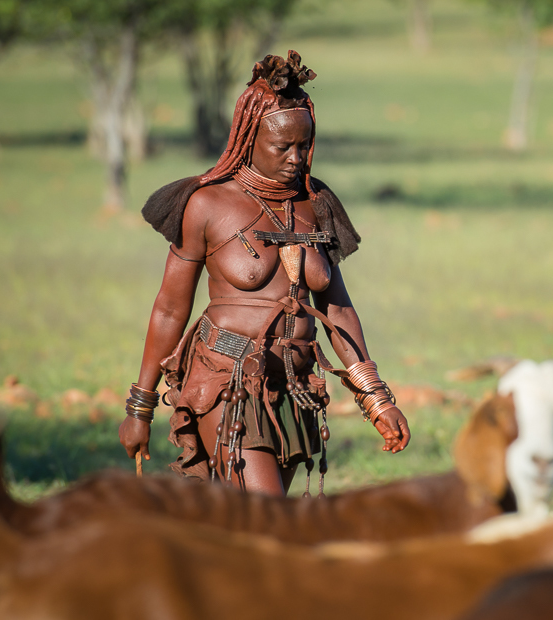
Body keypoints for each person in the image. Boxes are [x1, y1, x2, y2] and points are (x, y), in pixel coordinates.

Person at [118, 51, 410, 496]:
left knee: (251, 529)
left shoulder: (316, 203)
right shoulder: (207, 204)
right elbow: (169, 310)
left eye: (304, 145)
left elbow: (339, 311)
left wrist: (376, 399)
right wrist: (140, 407)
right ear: (250, 138)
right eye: (282, 147)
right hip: (227, 377)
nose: (296, 158)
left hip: (295, 387)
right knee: (265, 515)